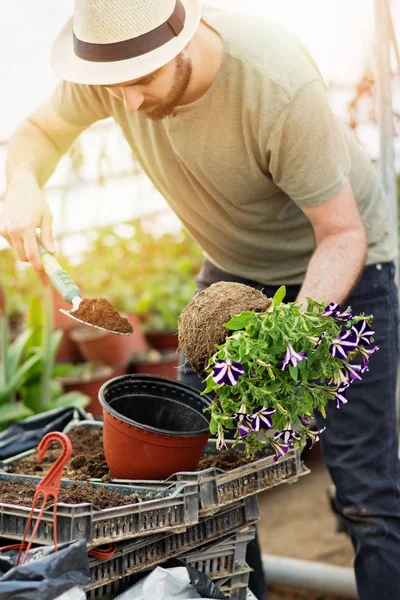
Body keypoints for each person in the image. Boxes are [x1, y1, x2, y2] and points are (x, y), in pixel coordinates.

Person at [0, 1, 399, 598]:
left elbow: (342, 235)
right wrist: (23, 184)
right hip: (230, 275)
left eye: (141, 82)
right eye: (113, 86)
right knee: (205, 478)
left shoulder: (276, 85)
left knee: (367, 491)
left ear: (180, 43)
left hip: (344, 266)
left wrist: (287, 341)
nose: (126, 103)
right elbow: (38, 132)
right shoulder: (115, 66)